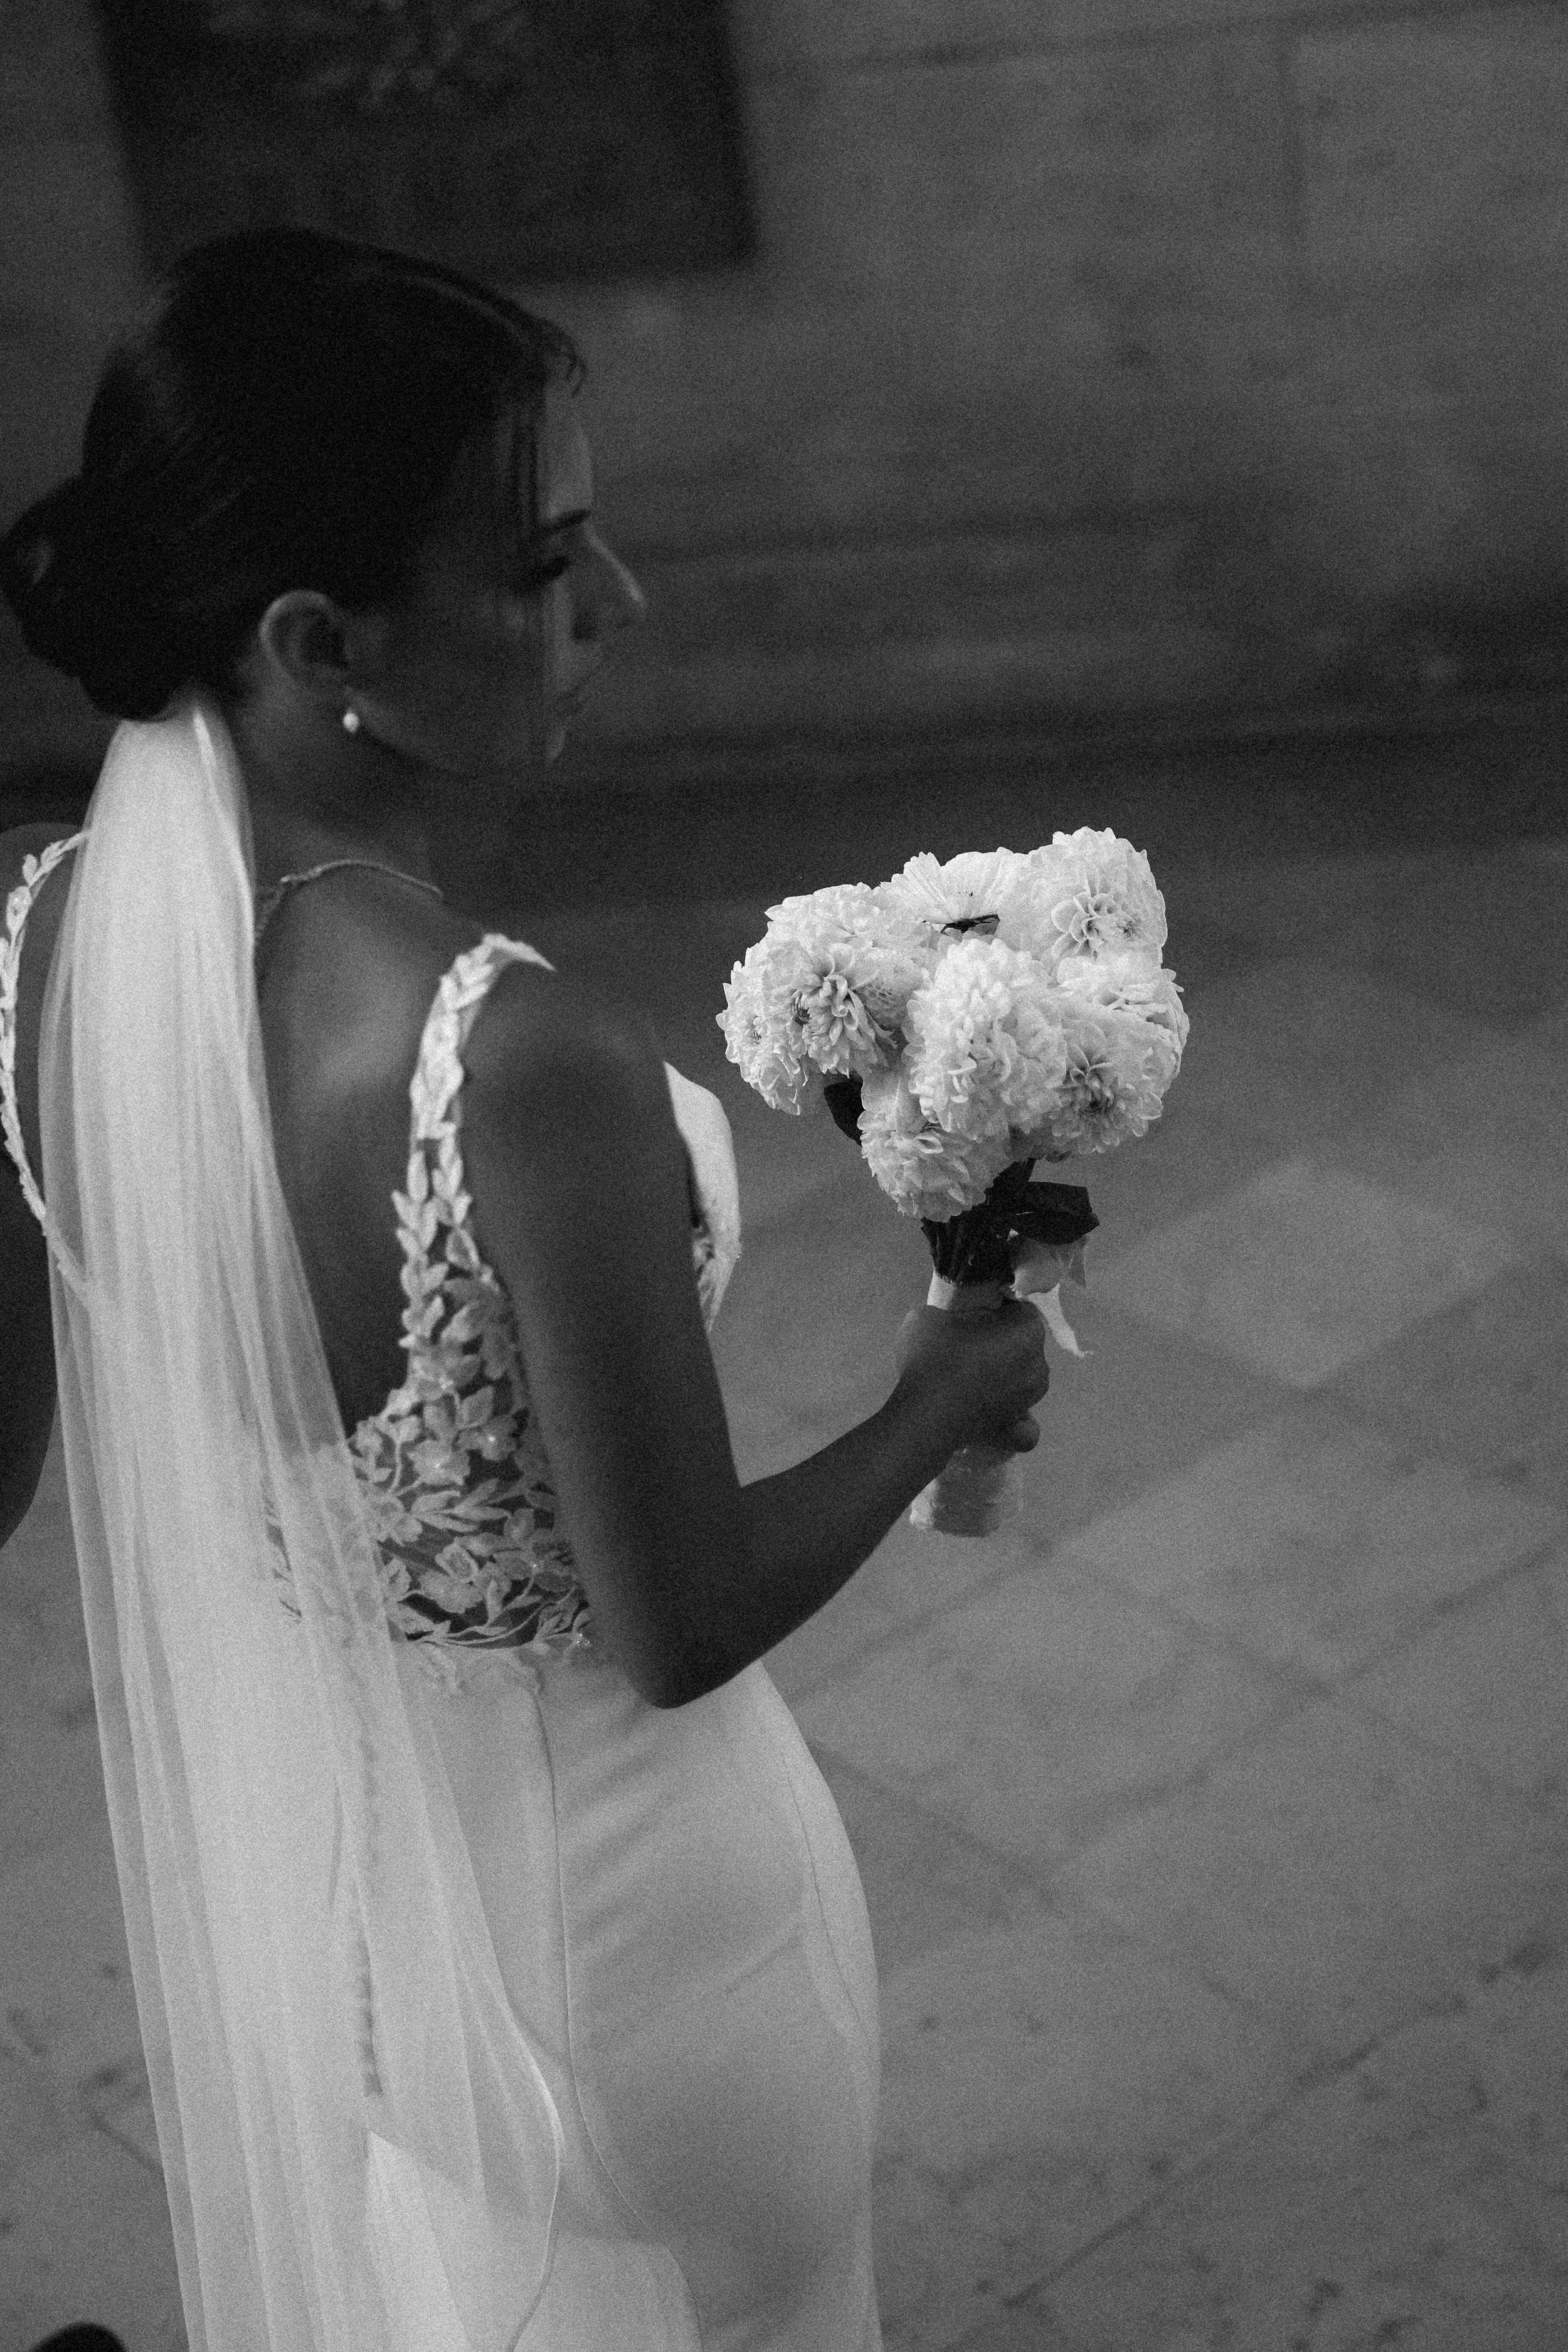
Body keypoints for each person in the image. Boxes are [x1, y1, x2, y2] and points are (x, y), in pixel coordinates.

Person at [0, 229, 1049, 2351]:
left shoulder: (47, 949)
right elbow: (673, 1619)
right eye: (544, 566)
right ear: (323, 640)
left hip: (355, 1930)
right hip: (647, 1951)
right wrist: (955, 1380)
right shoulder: (519, 1063)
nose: (619, 604)